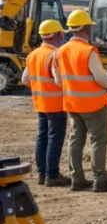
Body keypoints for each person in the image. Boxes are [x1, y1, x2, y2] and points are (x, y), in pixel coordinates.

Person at [56, 9, 107, 192]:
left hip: (72, 104)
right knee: (98, 140)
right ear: (86, 27)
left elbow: (58, 80)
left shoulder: (60, 52)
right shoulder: (88, 51)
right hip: (93, 105)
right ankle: (100, 179)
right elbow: (100, 77)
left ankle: (76, 179)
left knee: (75, 140)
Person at [21, 19, 71, 187]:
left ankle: (42, 174)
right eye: (61, 34)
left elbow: (25, 79)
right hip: (55, 104)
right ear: (57, 35)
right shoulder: (54, 55)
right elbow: (58, 81)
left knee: (42, 138)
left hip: (40, 104)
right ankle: (52, 175)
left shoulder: (33, 55)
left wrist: (39, 88)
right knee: (54, 139)